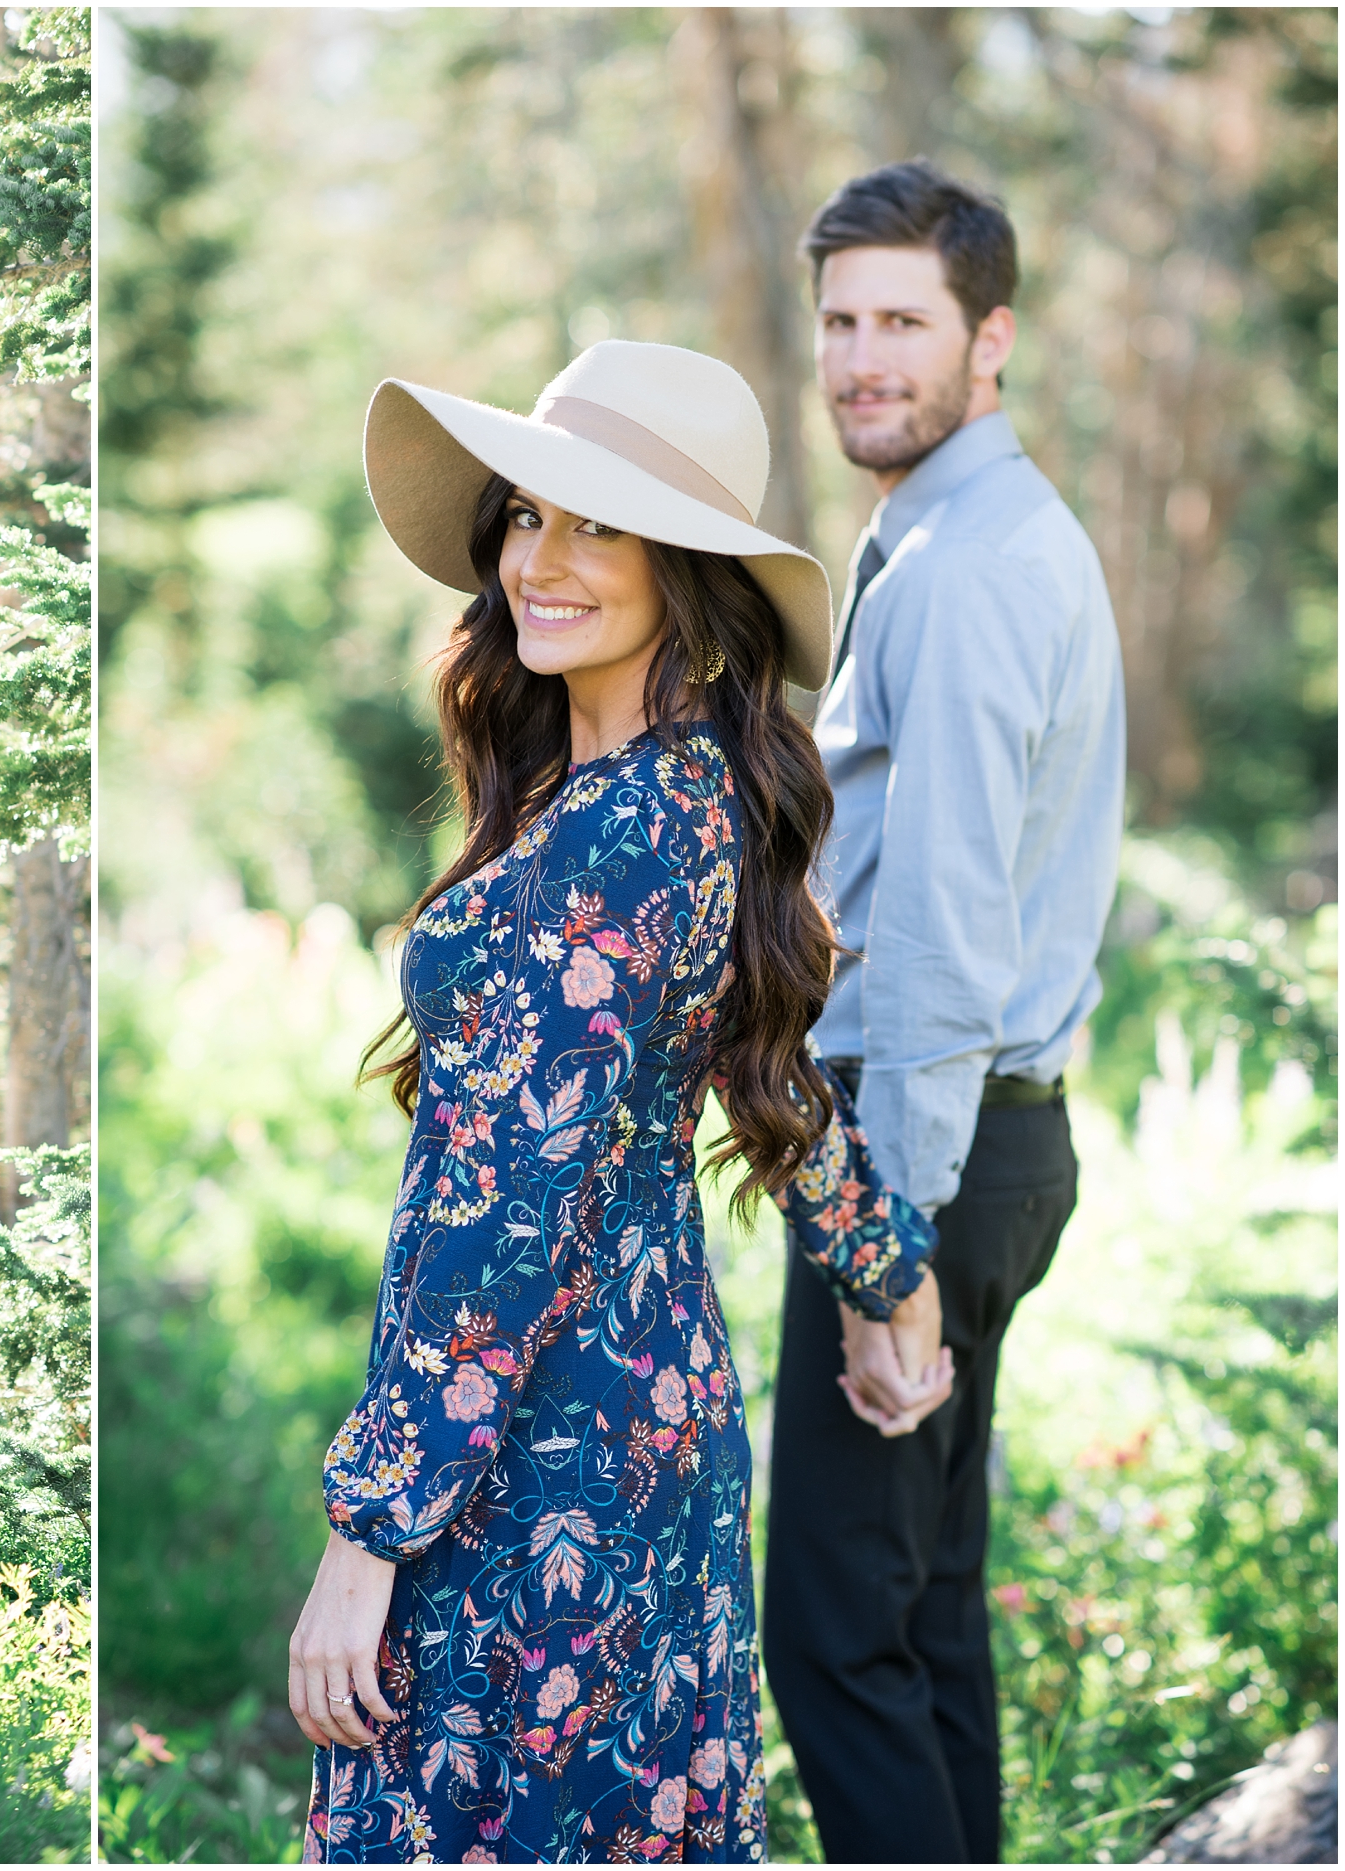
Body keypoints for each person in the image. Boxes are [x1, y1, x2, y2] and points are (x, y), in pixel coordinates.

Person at [290, 340, 942, 1864]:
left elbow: (509, 1210)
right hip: (638, 1412)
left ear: (689, 569)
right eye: (526, 514)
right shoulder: (667, 795)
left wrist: (370, 1522)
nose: (543, 556)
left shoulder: (626, 832)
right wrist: (887, 1268)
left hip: (540, 1449)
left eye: (599, 523)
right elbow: (765, 1070)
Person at [764, 161, 1124, 1864]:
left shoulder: (970, 568)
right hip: (985, 1138)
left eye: (902, 320)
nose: (860, 358)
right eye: (839, 321)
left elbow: (946, 927)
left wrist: (884, 1249)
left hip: (924, 1145)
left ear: (992, 340)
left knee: (835, 1639)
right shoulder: (958, 536)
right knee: (923, 1618)